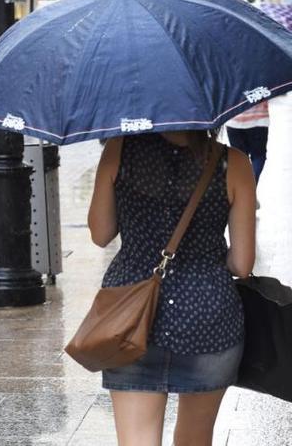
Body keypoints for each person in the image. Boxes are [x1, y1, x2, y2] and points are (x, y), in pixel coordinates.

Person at [88, 131, 256, 446]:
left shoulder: (118, 152)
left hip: (130, 315)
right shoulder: (233, 163)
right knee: (195, 439)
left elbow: (100, 233)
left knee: (137, 440)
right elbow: (242, 263)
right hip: (209, 318)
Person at [226, 101, 269, 184]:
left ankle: (242, 187)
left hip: (234, 120)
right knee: (258, 156)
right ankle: (252, 185)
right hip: (259, 120)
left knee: (239, 157)